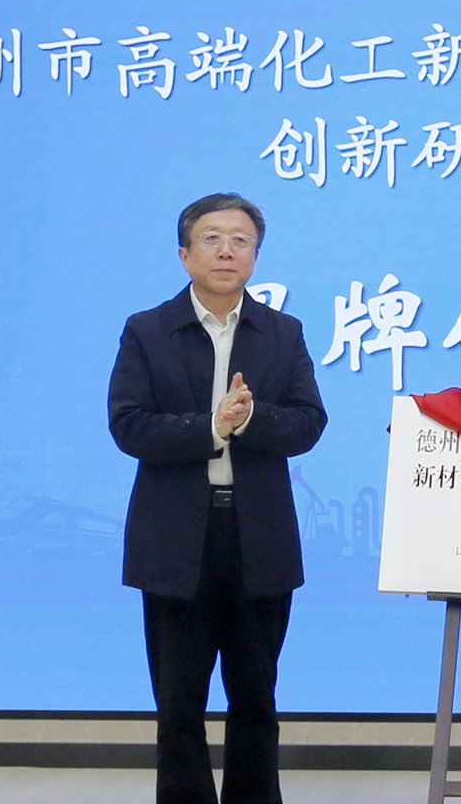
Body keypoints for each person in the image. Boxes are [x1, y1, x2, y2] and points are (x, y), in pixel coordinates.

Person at [109, 193, 327, 804]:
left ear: (255, 256)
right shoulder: (147, 330)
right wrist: (211, 427)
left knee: (256, 698)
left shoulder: (282, 333)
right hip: (175, 541)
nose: (226, 250)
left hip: (258, 538)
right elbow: (129, 426)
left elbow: (308, 423)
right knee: (179, 702)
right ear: (184, 255)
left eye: (240, 240)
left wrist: (250, 419)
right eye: (211, 238)